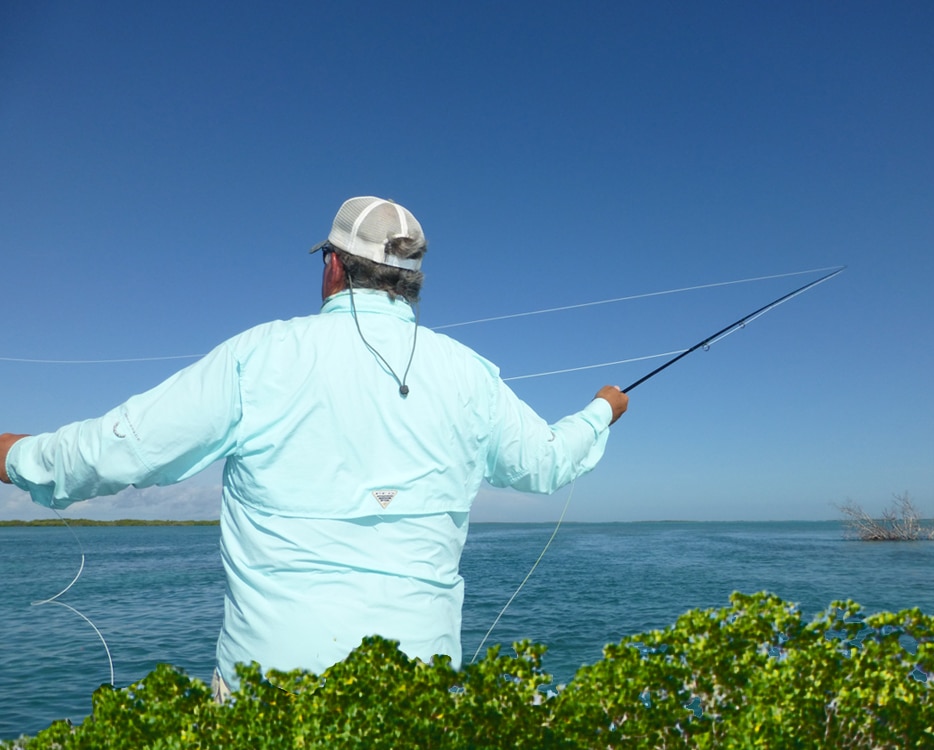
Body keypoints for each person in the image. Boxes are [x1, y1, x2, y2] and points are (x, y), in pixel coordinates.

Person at [0, 196, 628, 697]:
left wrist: (13, 457)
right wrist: (604, 409)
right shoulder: (470, 375)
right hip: (420, 699)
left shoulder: (261, 355)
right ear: (412, 282)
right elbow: (548, 460)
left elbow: (120, 449)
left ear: (333, 265)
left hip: (269, 704)